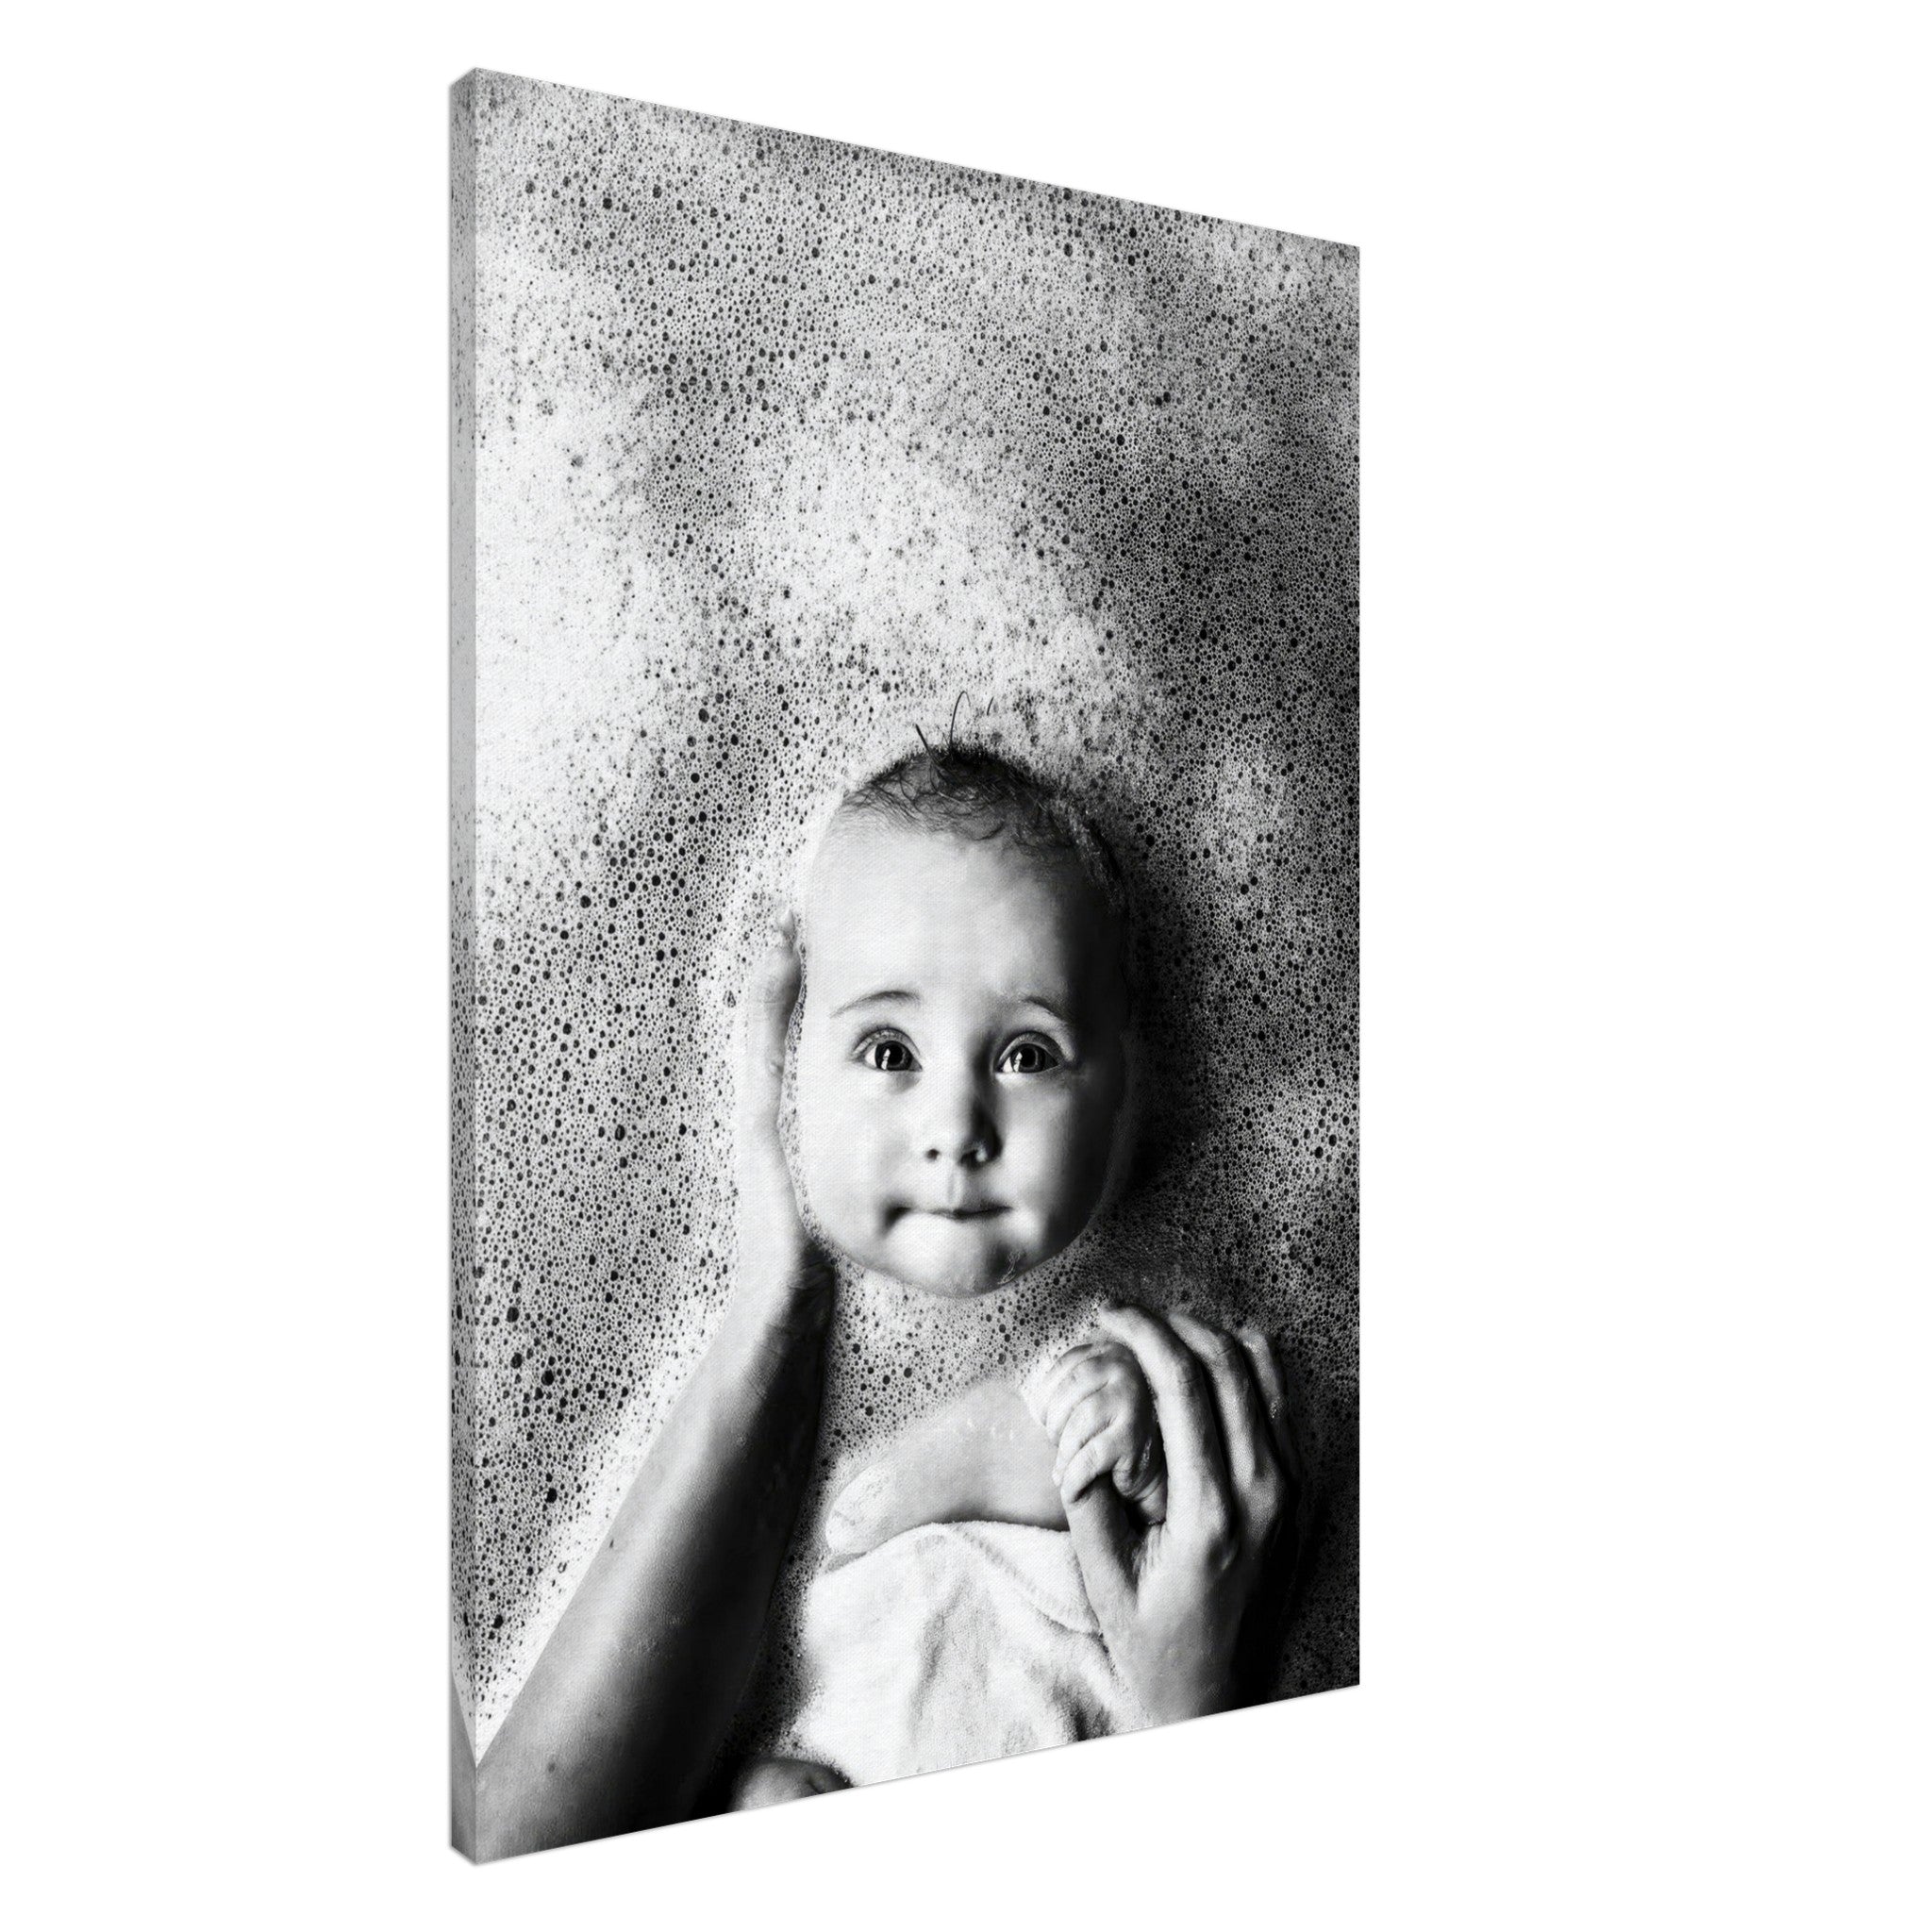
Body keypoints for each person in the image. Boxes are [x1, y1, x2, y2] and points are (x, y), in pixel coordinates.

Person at [455, 742, 1302, 1858]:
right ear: (795, 1069)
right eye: (889, 1046)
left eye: (1025, 1052)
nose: (957, 1124)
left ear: (1128, 1087)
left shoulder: (1166, 1347)